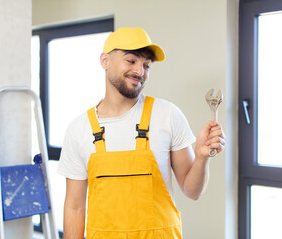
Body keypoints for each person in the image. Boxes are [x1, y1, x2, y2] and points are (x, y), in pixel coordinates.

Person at [57, 27, 225, 239]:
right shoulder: (79, 129)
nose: (140, 71)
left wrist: (201, 158)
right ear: (104, 61)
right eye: (131, 60)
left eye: (146, 65)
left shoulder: (168, 115)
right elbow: (74, 207)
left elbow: (193, 191)